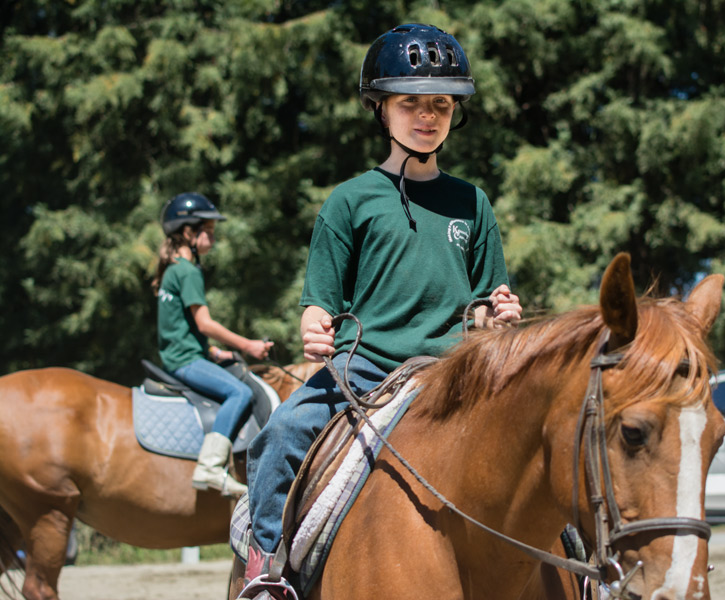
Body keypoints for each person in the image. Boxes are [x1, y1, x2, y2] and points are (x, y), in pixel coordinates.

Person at [241, 23, 523, 591]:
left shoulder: (472, 202)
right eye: (411, 102)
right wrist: (314, 327)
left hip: (452, 369)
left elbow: (486, 302)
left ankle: (587, 566)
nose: (428, 115)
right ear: (380, 108)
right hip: (363, 367)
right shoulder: (350, 200)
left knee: (541, 436)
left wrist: (500, 316)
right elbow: (319, 302)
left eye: (441, 103)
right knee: (279, 434)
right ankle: (266, 567)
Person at [153, 192, 273, 497]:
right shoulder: (188, 271)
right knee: (239, 392)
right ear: (189, 232)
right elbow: (205, 323)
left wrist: (214, 351)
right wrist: (248, 345)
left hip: (183, 354)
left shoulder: (173, 269)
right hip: (184, 361)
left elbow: (182, 327)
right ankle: (210, 466)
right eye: (209, 231)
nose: (213, 239)